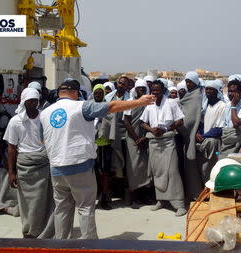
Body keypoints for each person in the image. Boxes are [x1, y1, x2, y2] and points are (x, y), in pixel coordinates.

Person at [40, 78, 155, 239]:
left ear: (59, 93)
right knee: (85, 207)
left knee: (62, 209)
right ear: (75, 93)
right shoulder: (81, 106)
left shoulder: (45, 113)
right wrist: (139, 102)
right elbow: (112, 106)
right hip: (80, 167)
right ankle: (89, 245)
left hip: (56, 169)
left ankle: (62, 245)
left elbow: (42, 140)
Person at [3, 88, 54, 239]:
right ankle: (29, 230)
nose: (33, 103)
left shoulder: (45, 118)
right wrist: (11, 172)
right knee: (27, 202)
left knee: (45, 199)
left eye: (35, 100)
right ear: (24, 102)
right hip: (25, 165)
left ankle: (45, 230)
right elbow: (11, 148)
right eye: (29, 101)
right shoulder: (15, 121)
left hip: (44, 163)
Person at [140, 80, 186, 216]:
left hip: (167, 140)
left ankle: (179, 204)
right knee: (157, 172)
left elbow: (180, 120)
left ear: (163, 90)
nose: (155, 93)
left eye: (158, 90)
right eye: (153, 90)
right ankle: (161, 200)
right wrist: (152, 130)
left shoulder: (171, 103)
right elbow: (143, 123)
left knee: (172, 172)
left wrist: (166, 128)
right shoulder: (149, 104)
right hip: (154, 142)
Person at [123, 79, 151, 209]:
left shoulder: (150, 103)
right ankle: (133, 197)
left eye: (144, 89)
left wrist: (145, 138)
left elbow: (151, 121)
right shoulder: (130, 102)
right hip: (132, 139)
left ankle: (144, 196)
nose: (141, 90)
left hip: (146, 139)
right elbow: (127, 122)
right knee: (133, 167)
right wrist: (136, 138)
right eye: (139, 88)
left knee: (145, 168)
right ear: (136, 89)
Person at [177, 71, 203, 201]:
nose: (188, 84)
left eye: (190, 82)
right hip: (185, 135)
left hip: (193, 134)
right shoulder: (188, 95)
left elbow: (193, 117)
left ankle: (196, 193)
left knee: (193, 167)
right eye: (186, 81)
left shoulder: (197, 96)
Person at [196, 80, 226, 183]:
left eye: (211, 89)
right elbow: (202, 123)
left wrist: (203, 136)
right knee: (203, 169)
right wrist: (198, 134)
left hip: (214, 142)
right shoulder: (206, 106)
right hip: (204, 141)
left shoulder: (222, 106)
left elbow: (219, 128)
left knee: (211, 168)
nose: (208, 91)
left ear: (217, 91)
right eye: (206, 89)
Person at [219, 75, 241, 159]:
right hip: (227, 142)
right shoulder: (227, 106)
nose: (231, 94)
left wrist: (234, 106)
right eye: (229, 91)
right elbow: (225, 125)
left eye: (234, 91)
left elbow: (236, 123)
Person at [92, 84, 112, 210]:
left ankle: (104, 198)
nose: (98, 95)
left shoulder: (108, 107)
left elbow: (111, 122)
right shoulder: (89, 106)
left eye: (100, 93)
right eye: (96, 93)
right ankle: (94, 196)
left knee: (104, 173)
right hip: (92, 144)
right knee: (93, 173)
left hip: (104, 144)